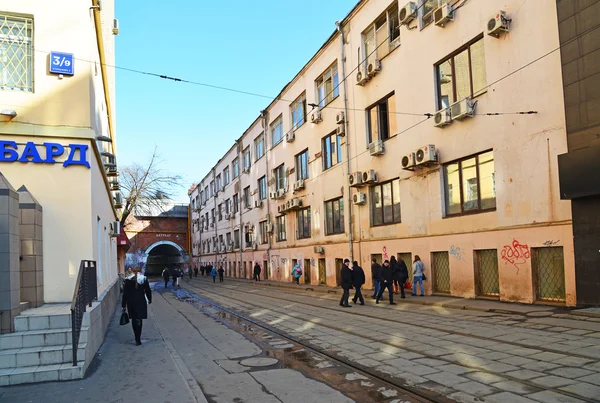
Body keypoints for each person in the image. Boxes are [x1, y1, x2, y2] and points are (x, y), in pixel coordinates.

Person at [121, 268, 152, 346]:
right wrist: (149, 299)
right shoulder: (143, 279)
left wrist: (123, 305)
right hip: (141, 302)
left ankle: (136, 337)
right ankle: (138, 339)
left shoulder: (128, 280)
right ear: (140, 271)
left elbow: (125, 294)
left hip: (131, 302)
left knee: (134, 319)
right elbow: (148, 290)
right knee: (139, 319)